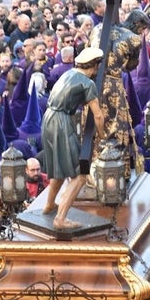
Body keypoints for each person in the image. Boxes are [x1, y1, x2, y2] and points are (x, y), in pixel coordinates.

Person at [41, 47, 105, 230]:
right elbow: (98, 116)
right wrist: (102, 136)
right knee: (80, 175)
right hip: (61, 122)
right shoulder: (87, 83)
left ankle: (49, 205)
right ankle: (60, 218)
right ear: (94, 66)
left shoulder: (68, 74)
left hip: (48, 119)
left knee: (58, 167)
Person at [89, 9, 148, 178]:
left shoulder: (98, 28)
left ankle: (94, 164)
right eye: (143, 29)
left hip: (92, 82)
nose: (142, 33)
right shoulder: (133, 39)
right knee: (117, 125)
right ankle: (117, 167)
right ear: (137, 24)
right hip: (113, 84)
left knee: (92, 123)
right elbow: (130, 66)